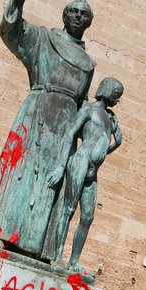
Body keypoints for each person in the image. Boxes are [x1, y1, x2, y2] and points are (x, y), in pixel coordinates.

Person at [0, 0, 96, 259]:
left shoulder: (89, 64)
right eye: (73, 11)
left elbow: (83, 103)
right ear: (64, 16)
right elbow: (11, 30)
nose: (78, 16)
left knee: (51, 185)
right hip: (38, 114)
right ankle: (1, 234)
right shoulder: (44, 38)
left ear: (88, 22)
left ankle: (39, 247)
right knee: (21, 173)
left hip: (65, 128)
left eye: (84, 13)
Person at [41, 78, 123, 271]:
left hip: (93, 169)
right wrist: (61, 166)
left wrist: (116, 143)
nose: (118, 100)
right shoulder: (88, 109)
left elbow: (103, 146)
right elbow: (70, 133)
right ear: (107, 90)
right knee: (68, 210)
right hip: (81, 161)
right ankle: (57, 256)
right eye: (117, 95)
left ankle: (74, 261)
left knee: (87, 217)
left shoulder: (110, 118)